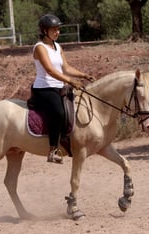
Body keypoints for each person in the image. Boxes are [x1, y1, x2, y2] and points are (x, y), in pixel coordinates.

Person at [31, 14, 95, 164]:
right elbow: (50, 70)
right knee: (59, 112)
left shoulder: (57, 46)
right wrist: (71, 81)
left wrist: (83, 75)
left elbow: (65, 68)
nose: (57, 32)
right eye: (54, 30)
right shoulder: (40, 48)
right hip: (44, 89)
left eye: (58, 29)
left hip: (59, 86)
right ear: (44, 31)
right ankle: (52, 150)